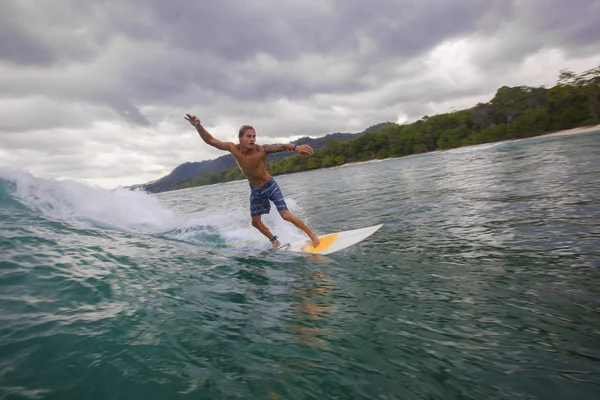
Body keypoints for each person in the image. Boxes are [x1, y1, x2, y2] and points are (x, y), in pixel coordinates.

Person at [184, 114, 321, 249]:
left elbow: (282, 146)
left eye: (254, 136)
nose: (252, 139)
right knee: (256, 223)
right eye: (248, 136)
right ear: (240, 138)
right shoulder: (233, 148)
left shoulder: (261, 150)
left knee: (286, 215)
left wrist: (295, 148)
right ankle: (274, 241)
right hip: (256, 190)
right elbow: (211, 140)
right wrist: (198, 126)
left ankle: (312, 235)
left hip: (270, 186)